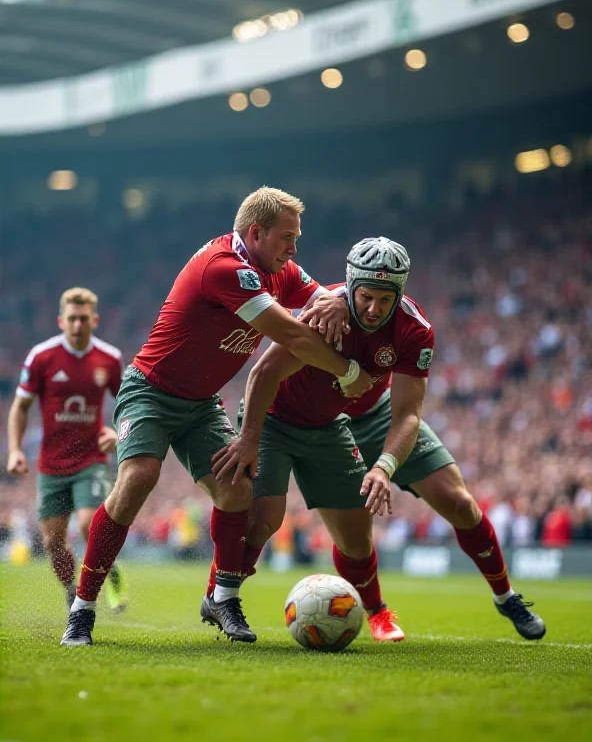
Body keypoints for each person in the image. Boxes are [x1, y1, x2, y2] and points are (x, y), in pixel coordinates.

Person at [60, 186, 373, 647]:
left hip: (201, 403)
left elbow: (319, 295)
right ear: (256, 232)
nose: (294, 249)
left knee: (236, 486)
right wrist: (349, 372)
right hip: (151, 391)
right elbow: (292, 334)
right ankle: (82, 610)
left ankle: (223, 598)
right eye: (288, 237)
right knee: (139, 478)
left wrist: (337, 296)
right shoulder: (226, 269)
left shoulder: (277, 268)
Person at [214, 237, 547, 642]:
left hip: (374, 416)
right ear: (351, 286)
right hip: (301, 421)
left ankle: (505, 596)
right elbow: (264, 372)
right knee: (272, 521)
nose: (373, 309)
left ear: (400, 294)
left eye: (384, 300)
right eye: (366, 297)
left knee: (457, 503)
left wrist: (384, 466)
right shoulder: (324, 312)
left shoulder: (414, 330)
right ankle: (225, 595)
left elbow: (407, 413)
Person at [6, 287, 127, 613]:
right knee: (53, 542)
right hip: (51, 464)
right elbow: (20, 406)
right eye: (71, 319)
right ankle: (71, 590)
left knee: (90, 524)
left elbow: (128, 404)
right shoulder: (41, 357)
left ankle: (110, 575)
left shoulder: (109, 358)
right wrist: (15, 449)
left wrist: (118, 432)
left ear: (95, 320)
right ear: (61, 320)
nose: (77, 325)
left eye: (83, 319)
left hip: (91, 459)